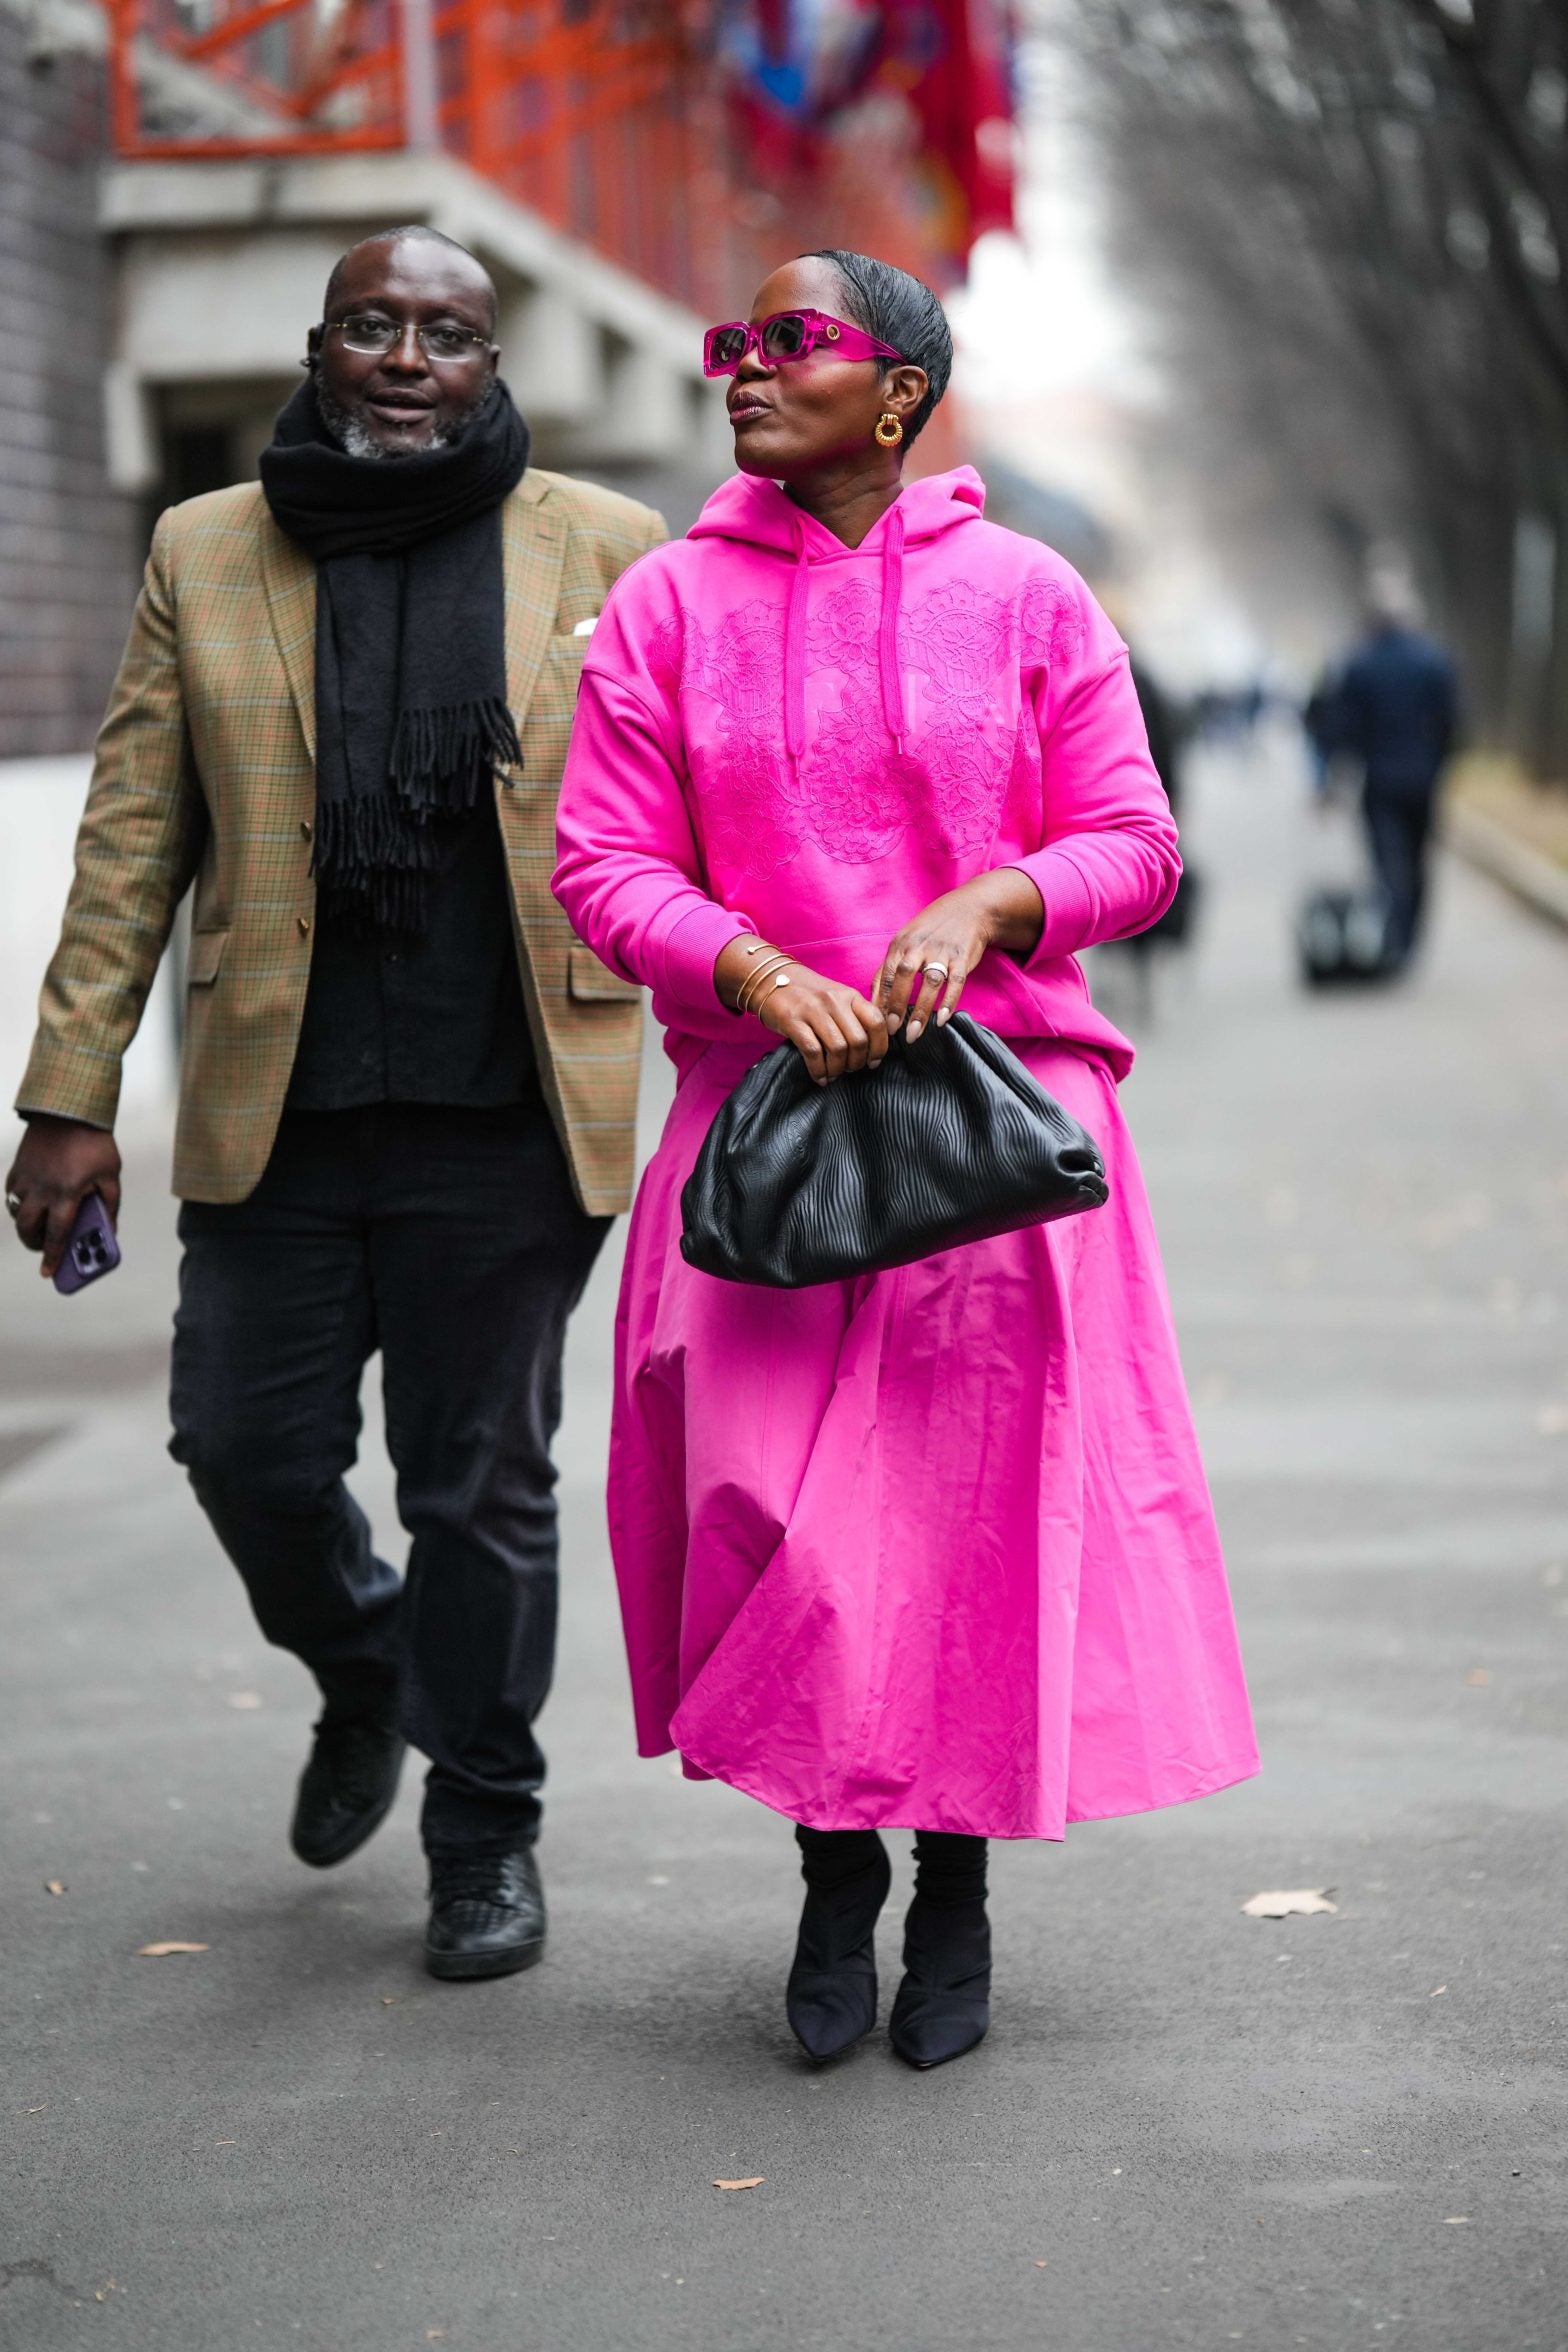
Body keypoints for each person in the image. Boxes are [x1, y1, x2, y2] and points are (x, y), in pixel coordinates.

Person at [553, 250, 1258, 2070]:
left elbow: (1133, 841)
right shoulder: (663, 606)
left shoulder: (1028, 592)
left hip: (994, 1137)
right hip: (759, 1135)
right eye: (734, 340)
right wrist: (750, 966)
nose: (744, 365)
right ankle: (831, 1866)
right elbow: (602, 863)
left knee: (964, 1528)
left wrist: (993, 899)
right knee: (769, 1521)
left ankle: (951, 1884)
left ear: (897, 392)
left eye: (792, 341)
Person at [7, 227, 664, 1980]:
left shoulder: (606, 546)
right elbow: (133, 837)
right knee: (246, 1452)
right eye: (370, 325)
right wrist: (69, 1094)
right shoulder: (205, 545)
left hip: (509, 1106)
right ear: (318, 350)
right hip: (276, 1106)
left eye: (444, 332)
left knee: (480, 1487)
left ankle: (484, 1831)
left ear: (491, 362)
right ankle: (370, 1667)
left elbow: (689, 801)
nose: (405, 357)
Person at [1336, 599, 1459, 966]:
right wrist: (1439, 762)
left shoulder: (1361, 664)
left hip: (1380, 779)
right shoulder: (1433, 660)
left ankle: (1394, 935)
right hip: (1423, 778)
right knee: (1418, 859)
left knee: (1387, 862)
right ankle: (1410, 936)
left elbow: (1344, 724)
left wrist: (1337, 772)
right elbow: (1451, 719)